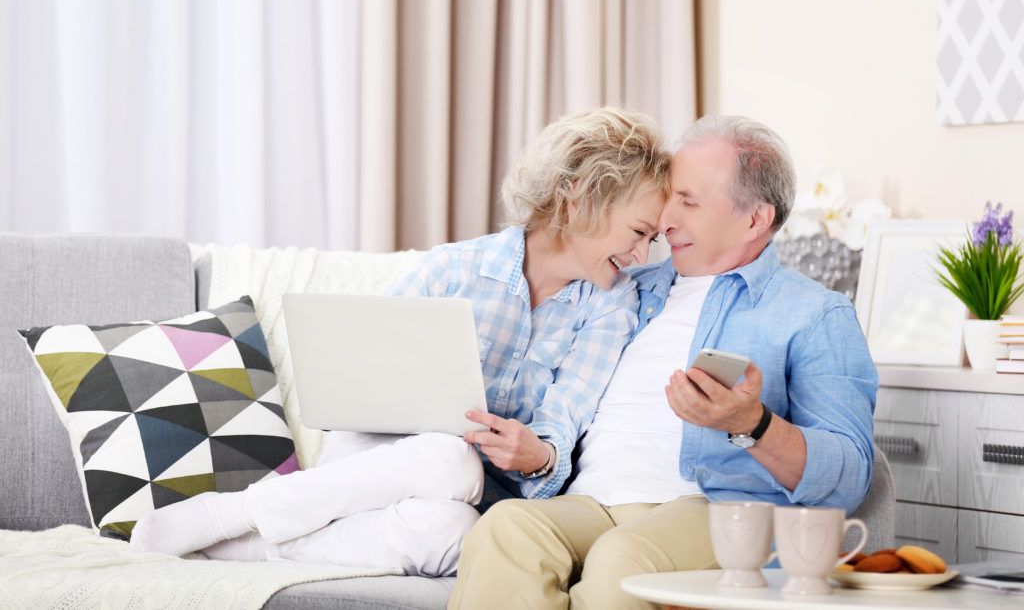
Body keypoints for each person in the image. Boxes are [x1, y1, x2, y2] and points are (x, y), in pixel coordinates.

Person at [128, 106, 672, 578]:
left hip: (478, 494)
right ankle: (237, 513)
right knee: (447, 455)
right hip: (374, 457)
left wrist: (538, 456)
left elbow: (567, 412)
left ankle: (249, 543)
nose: (643, 254)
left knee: (455, 532)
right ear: (580, 201)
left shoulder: (610, 305)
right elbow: (353, 377)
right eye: (639, 231)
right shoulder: (453, 269)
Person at [447, 114, 878, 609]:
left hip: (713, 508)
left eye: (689, 202)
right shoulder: (622, 289)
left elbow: (849, 476)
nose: (665, 220)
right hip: (592, 500)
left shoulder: (814, 313)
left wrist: (752, 424)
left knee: (621, 559)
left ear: (755, 219)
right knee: (506, 529)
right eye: (670, 197)